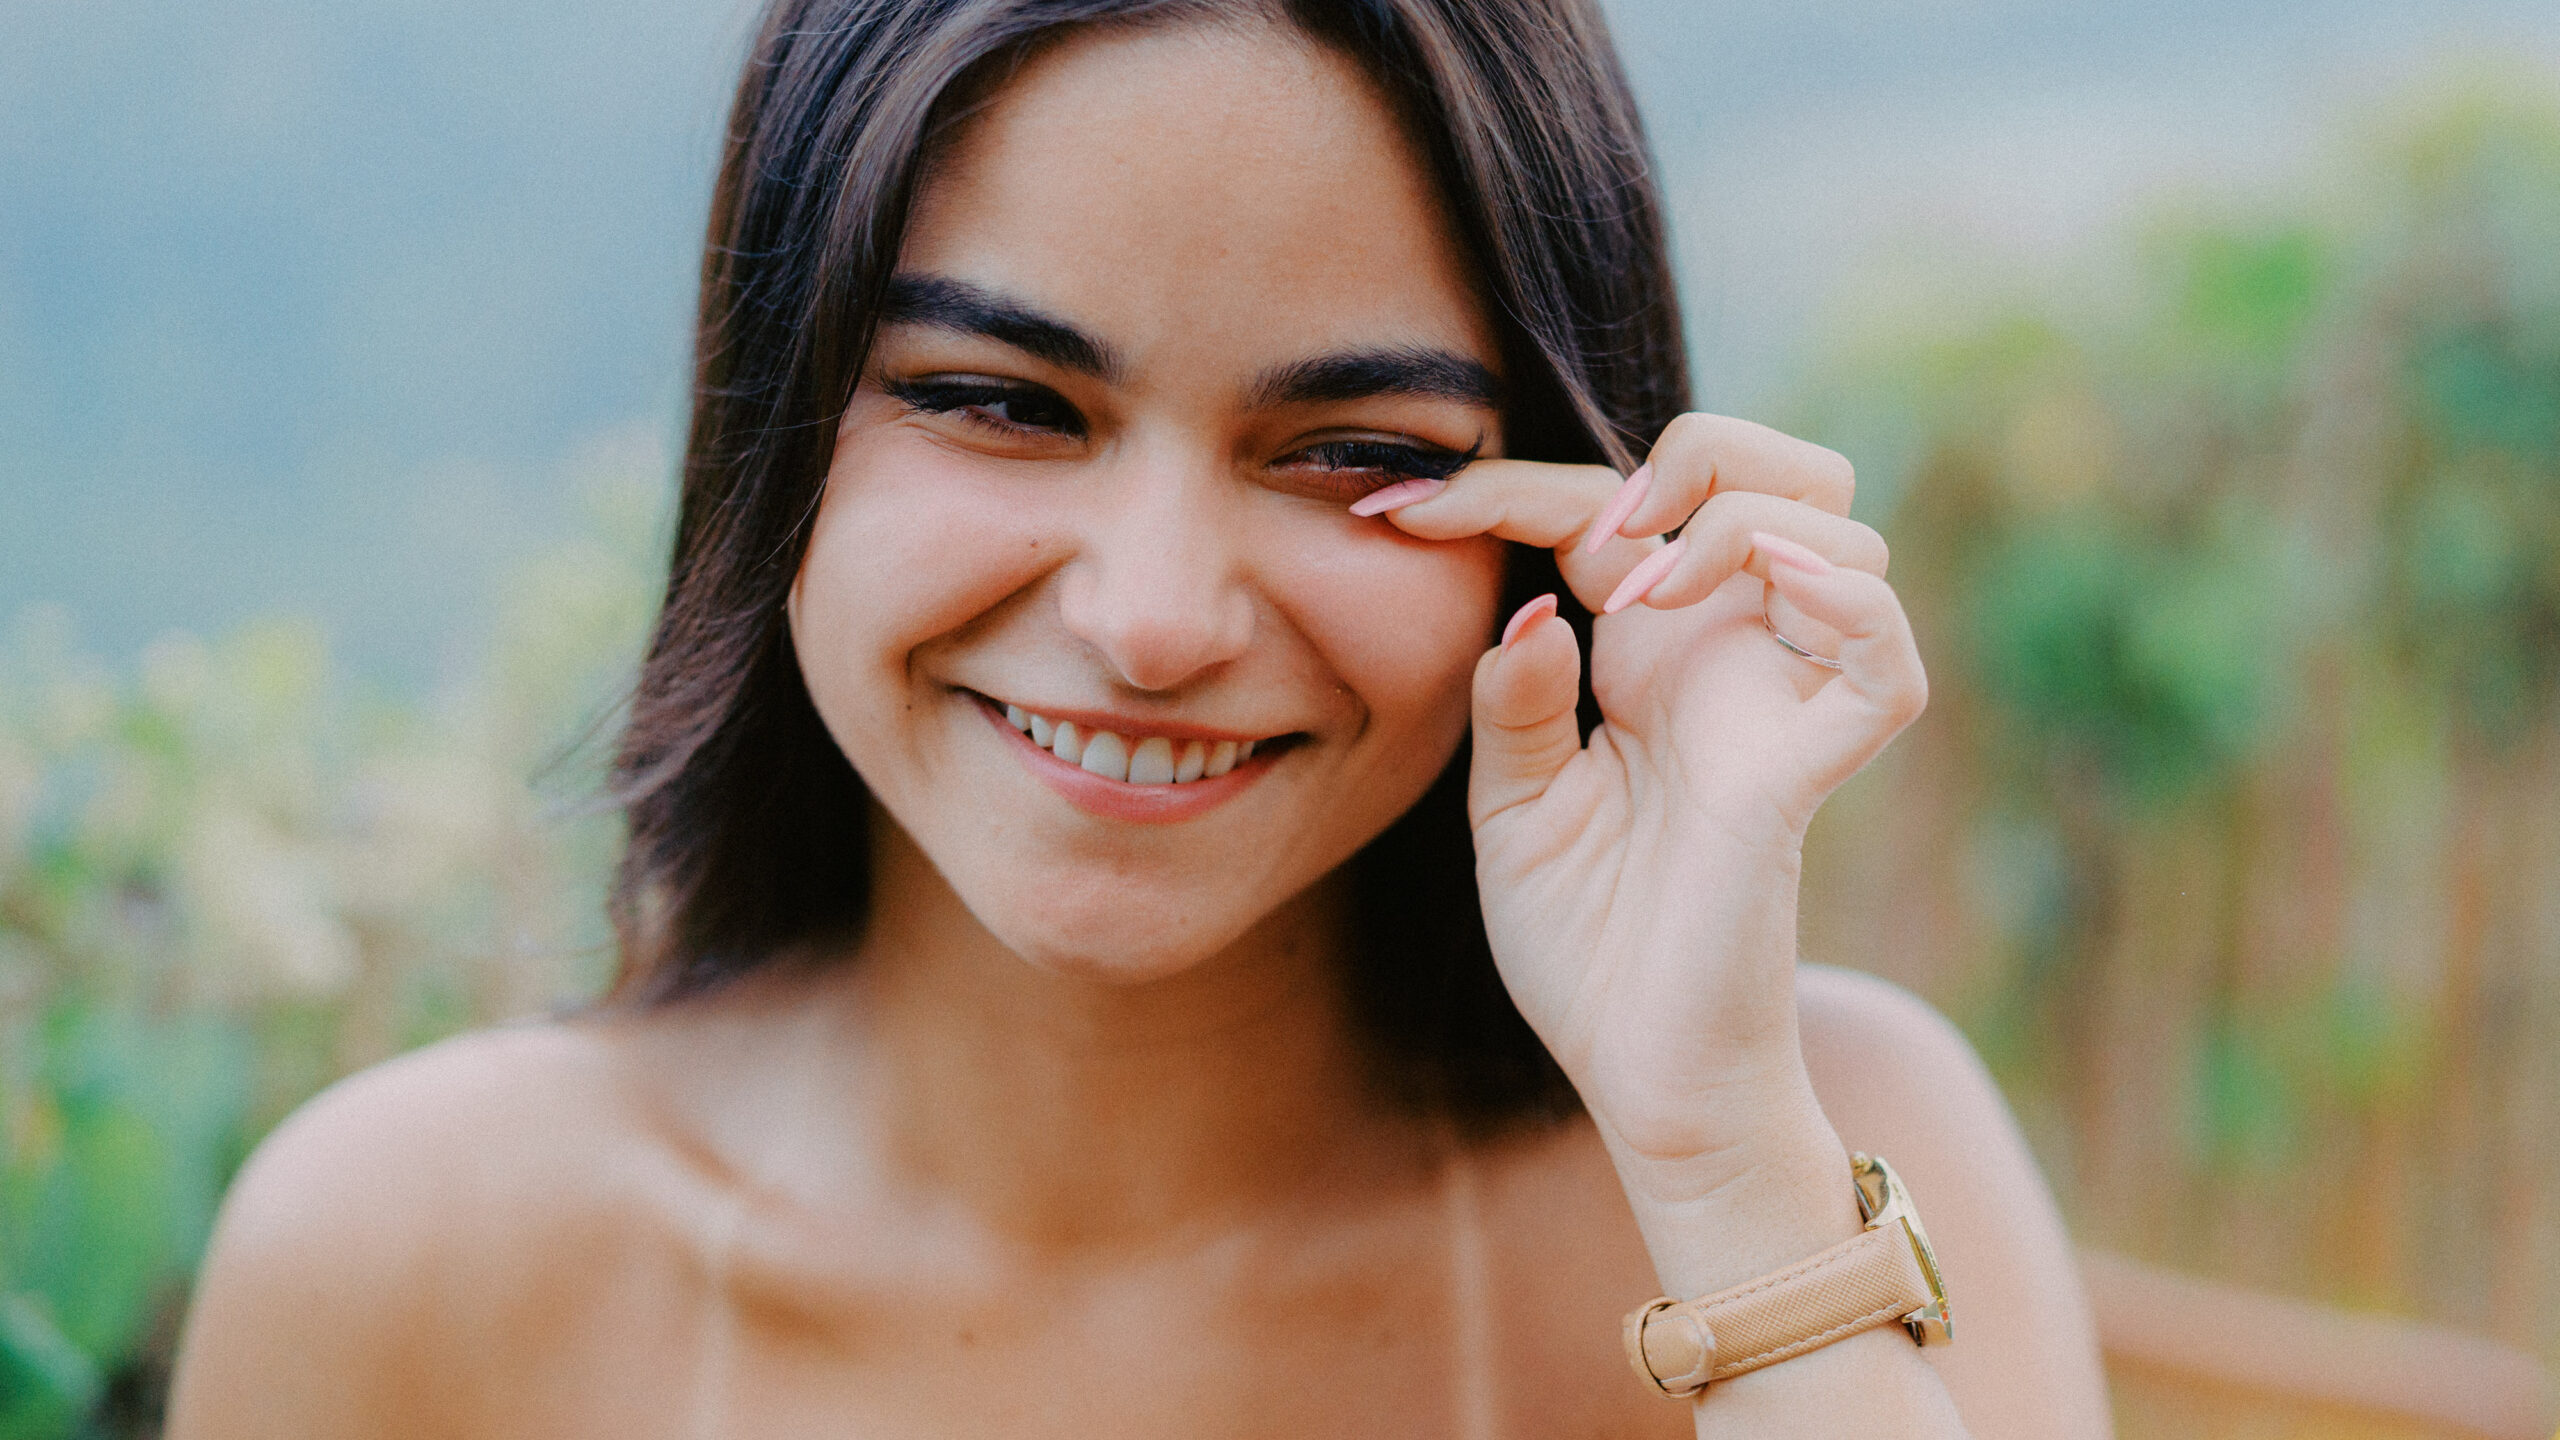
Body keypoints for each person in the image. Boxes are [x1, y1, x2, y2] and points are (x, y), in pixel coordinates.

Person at [166, 1, 2111, 1435]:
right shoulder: (403, 1257)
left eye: (1353, 449)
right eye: (999, 402)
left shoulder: (1828, 1147)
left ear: (1566, 515)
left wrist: (1717, 1165)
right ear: (777, 423)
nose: (1155, 618)